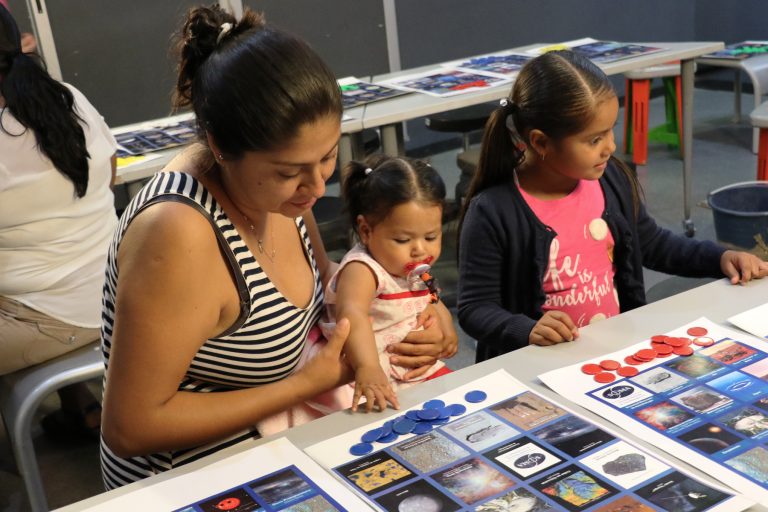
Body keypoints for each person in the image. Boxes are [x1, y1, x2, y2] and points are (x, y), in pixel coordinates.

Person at [99, 5, 456, 489]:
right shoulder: (177, 232)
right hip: (193, 474)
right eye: (290, 171)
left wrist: (420, 310)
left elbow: (326, 283)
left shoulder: (280, 194)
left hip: (292, 433)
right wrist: (305, 385)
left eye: (328, 155)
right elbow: (131, 426)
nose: (315, 185)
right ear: (220, 147)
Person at [457, 50, 768, 363]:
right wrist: (524, 329)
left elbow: (652, 243)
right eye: (594, 140)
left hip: (609, 357)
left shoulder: (610, 180)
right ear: (540, 143)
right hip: (538, 366)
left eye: (610, 130)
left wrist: (721, 258)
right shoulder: (493, 211)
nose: (611, 146)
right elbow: (474, 308)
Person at [0, 4, 116, 439]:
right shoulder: (66, 97)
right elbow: (111, 171)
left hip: (57, 318)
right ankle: (81, 407)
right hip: (114, 290)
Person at [322, 155, 455, 413]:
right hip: (375, 377)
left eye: (431, 236)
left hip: (417, 370)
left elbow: (430, 297)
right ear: (366, 231)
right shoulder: (364, 269)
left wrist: (446, 324)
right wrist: (367, 367)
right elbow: (352, 314)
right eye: (403, 239)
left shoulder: (410, 265)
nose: (419, 249)